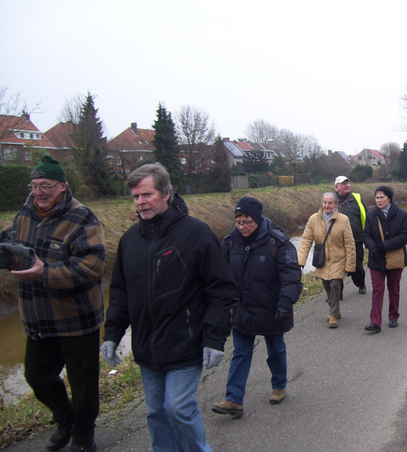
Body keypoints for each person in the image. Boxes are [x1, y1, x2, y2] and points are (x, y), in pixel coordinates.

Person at [101, 163, 239, 452]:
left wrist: (214, 339)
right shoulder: (129, 241)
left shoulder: (196, 233)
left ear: (166, 194)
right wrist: (112, 333)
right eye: (136, 197)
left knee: (178, 407)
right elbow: (120, 293)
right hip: (147, 347)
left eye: (147, 194)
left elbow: (221, 289)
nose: (140, 202)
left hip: (186, 342)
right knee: (156, 412)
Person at [0, 155, 105, 452]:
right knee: (37, 376)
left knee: (83, 385)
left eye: (45, 185)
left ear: (62, 186)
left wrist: (45, 272)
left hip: (76, 319)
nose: (39, 192)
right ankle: (66, 420)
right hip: (37, 321)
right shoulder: (23, 216)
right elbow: (7, 248)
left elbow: (92, 266)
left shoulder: (82, 217)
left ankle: (84, 435)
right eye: (35, 185)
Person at [212, 197, 303, 418]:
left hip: (272, 307)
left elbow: (291, 276)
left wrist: (285, 303)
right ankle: (233, 399)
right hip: (242, 309)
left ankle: (279, 386)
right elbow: (220, 277)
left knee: (276, 349)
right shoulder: (229, 243)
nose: (242, 227)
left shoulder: (277, 242)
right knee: (240, 353)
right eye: (238, 222)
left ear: (258, 219)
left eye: (247, 221)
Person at [297, 193, 355, 328]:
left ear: (336, 205)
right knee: (327, 285)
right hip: (321, 259)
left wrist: (350, 265)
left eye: (330, 203)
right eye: (325, 202)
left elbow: (349, 244)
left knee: (335, 284)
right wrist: (301, 260)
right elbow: (306, 240)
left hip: (338, 259)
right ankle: (336, 309)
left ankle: (333, 315)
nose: (327, 206)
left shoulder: (344, 220)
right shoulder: (313, 219)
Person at [362, 186, 407, 333]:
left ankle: (393, 316)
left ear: (389, 198)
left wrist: (385, 245)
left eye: (382, 197)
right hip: (376, 258)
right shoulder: (371, 215)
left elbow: (405, 235)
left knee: (393, 288)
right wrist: (373, 248)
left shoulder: (401, 214)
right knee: (377, 289)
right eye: (377, 197)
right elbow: (366, 234)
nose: (379, 200)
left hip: (395, 258)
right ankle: (375, 321)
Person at [334, 176, 368, 295]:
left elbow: (366, 217)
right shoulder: (331, 201)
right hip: (337, 241)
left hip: (356, 239)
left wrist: (367, 236)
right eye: (343, 183)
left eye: (348, 183)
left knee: (356, 266)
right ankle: (338, 292)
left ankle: (361, 284)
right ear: (336, 187)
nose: (347, 185)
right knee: (337, 268)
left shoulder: (357, 198)